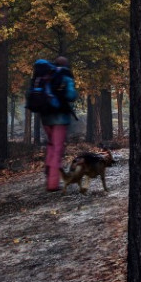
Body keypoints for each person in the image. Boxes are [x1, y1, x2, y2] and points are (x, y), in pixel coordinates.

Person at [39, 56, 78, 192]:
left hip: (46, 118)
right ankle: (53, 183)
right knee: (57, 149)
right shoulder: (65, 75)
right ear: (67, 64)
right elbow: (71, 95)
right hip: (60, 119)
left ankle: (49, 169)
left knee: (51, 145)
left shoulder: (47, 75)